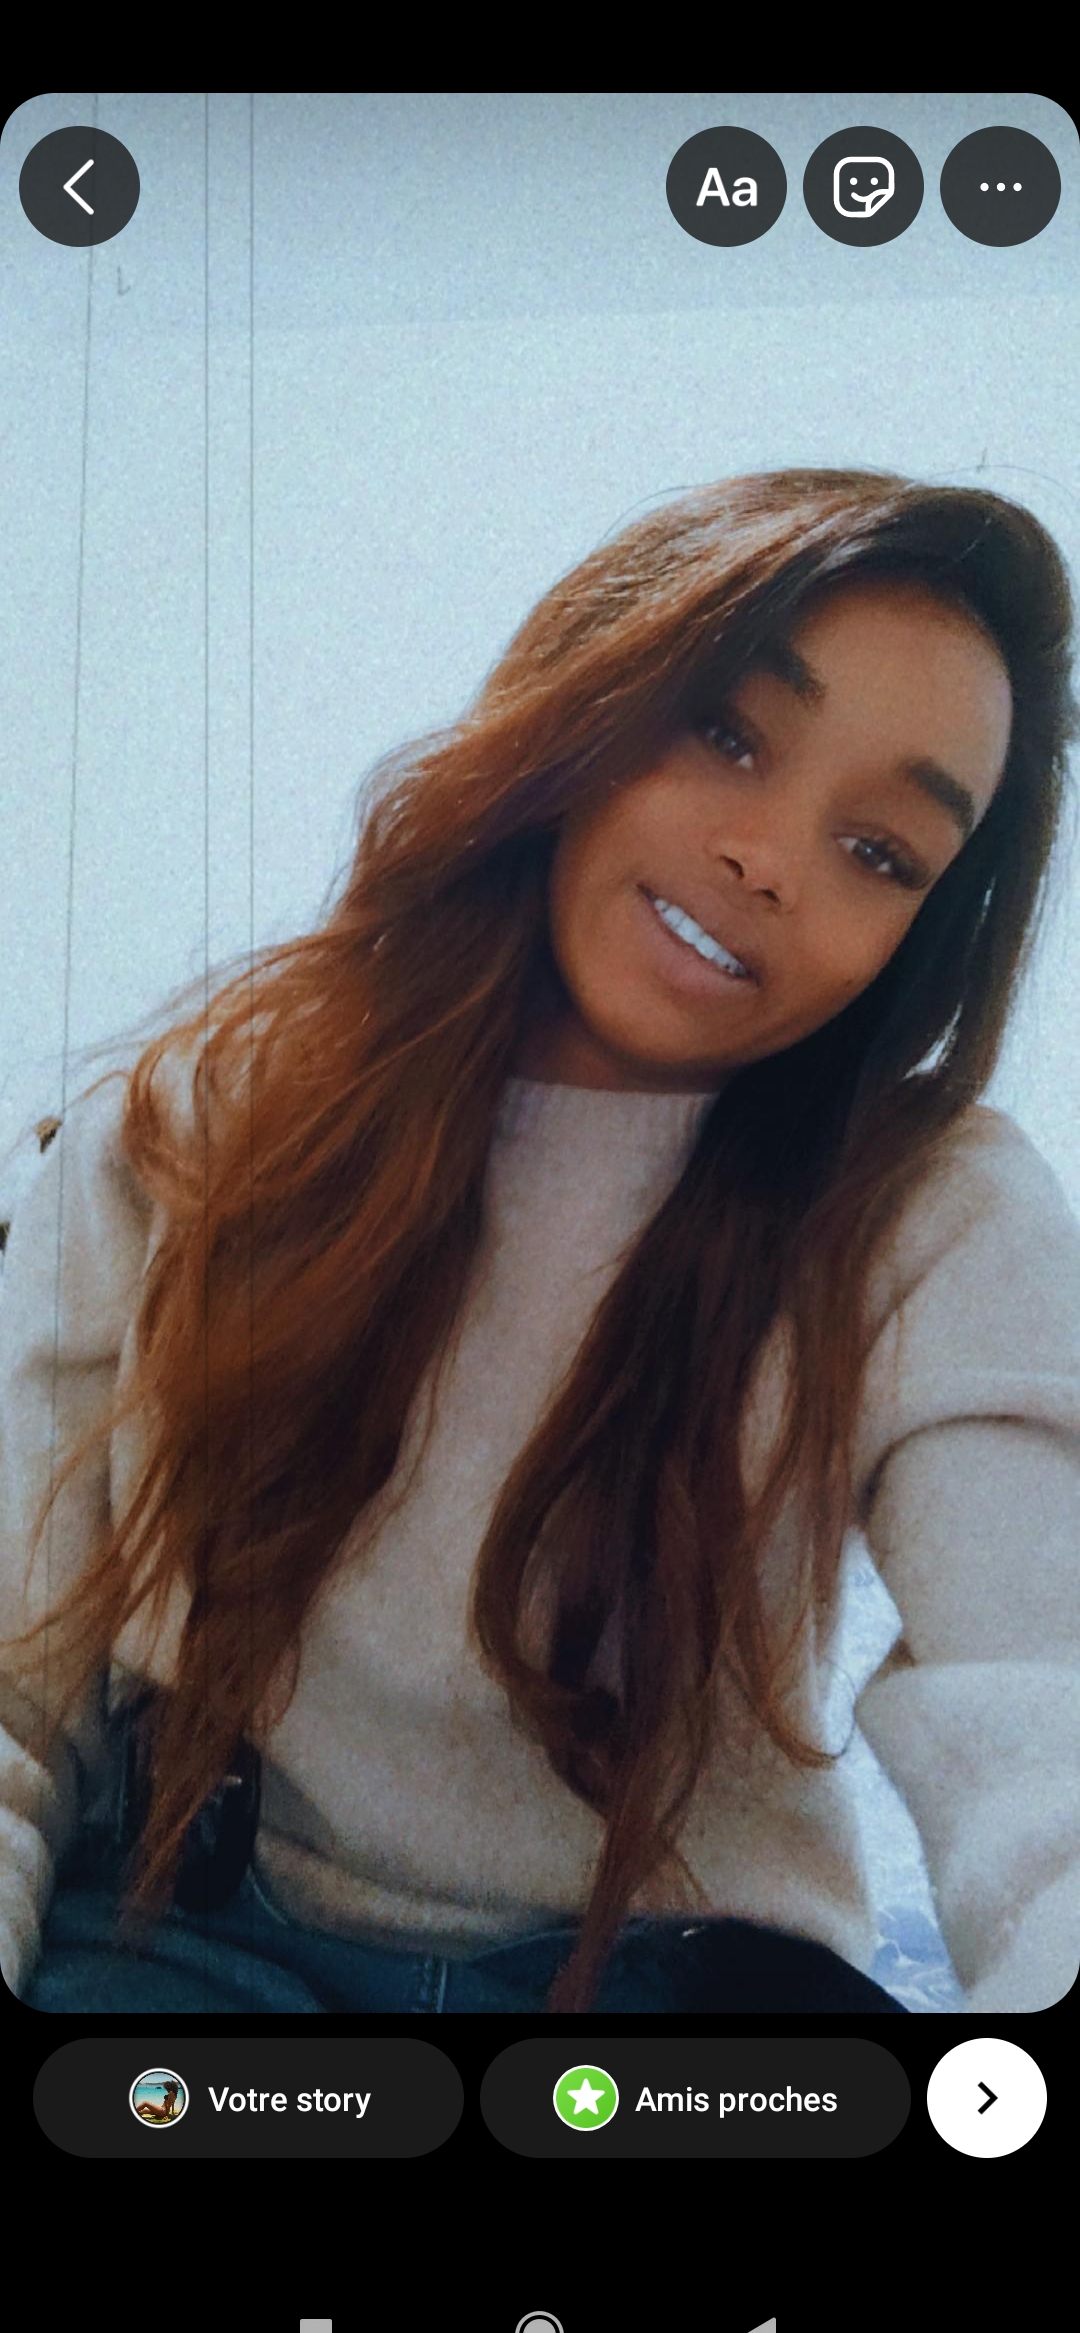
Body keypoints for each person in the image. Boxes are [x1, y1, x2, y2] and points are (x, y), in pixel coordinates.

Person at [1, 465, 1079, 2018]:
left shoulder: (933, 1214)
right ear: (588, 703)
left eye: (883, 853)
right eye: (729, 736)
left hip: (667, 1990)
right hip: (190, 1932)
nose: (771, 859)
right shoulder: (206, 1119)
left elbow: (1048, 1728)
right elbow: (15, 1688)